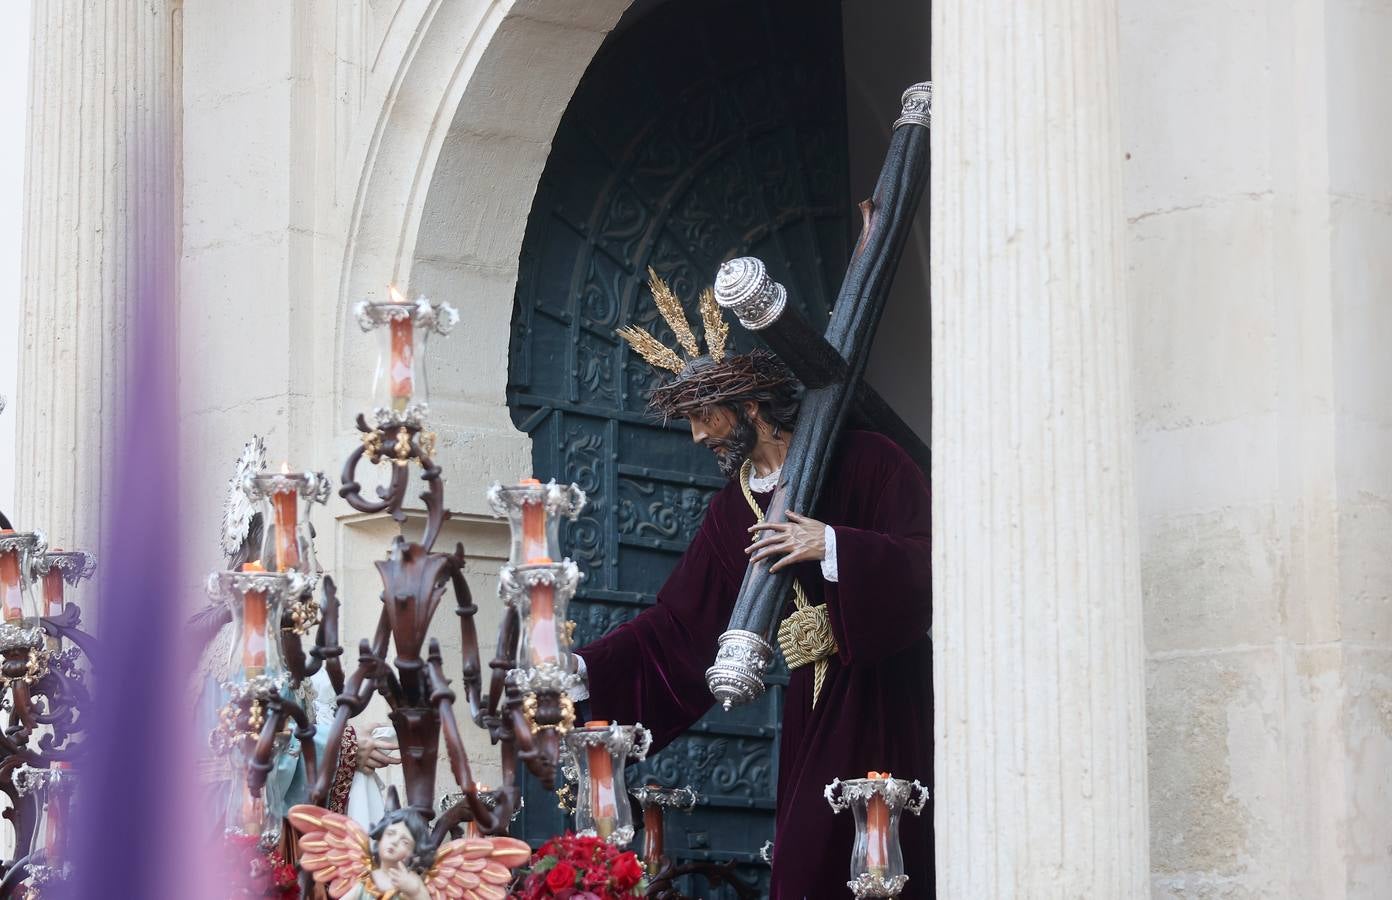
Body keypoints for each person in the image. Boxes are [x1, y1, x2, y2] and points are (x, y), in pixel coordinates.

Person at [574, 273, 933, 898]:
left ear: (749, 406)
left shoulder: (869, 460)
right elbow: (681, 629)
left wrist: (835, 547)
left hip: (885, 693)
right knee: (802, 867)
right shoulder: (733, 507)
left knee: (879, 865)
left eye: (703, 415)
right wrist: (580, 674)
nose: (696, 435)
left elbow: (932, 563)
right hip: (812, 705)